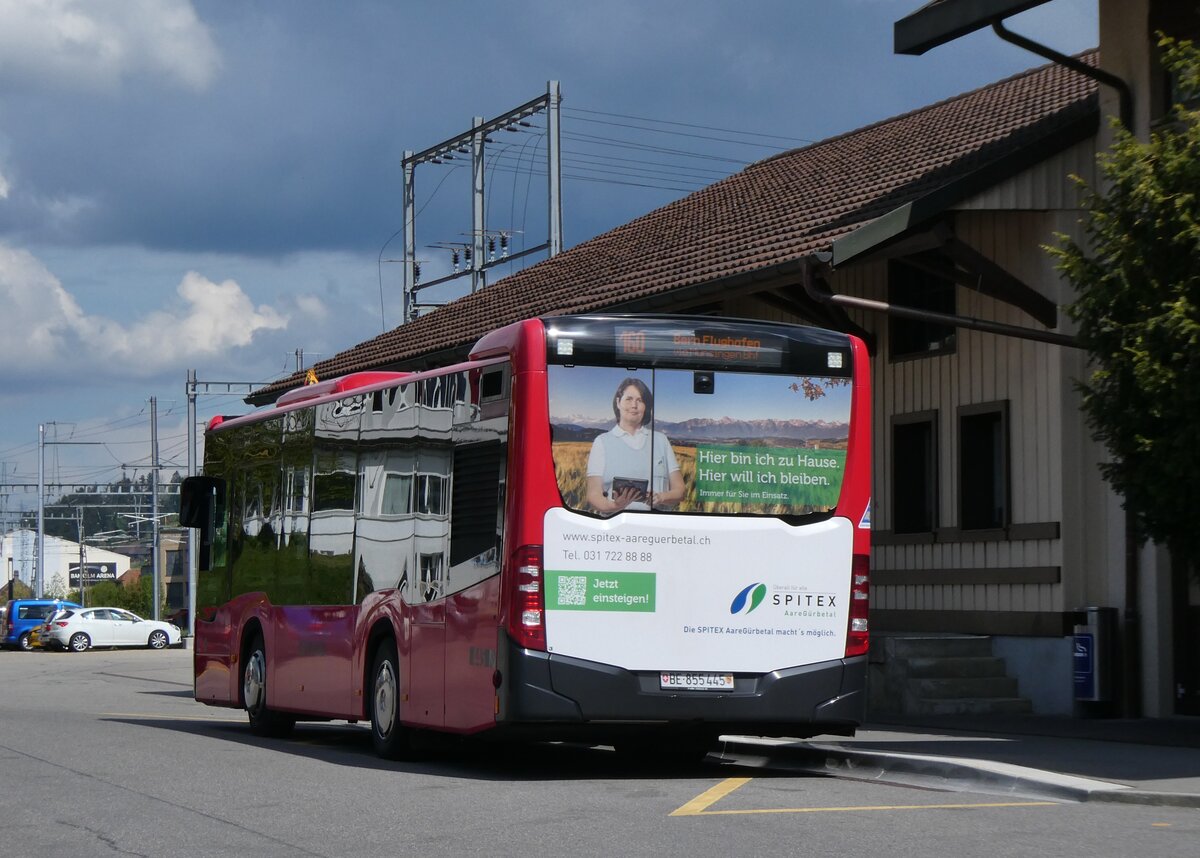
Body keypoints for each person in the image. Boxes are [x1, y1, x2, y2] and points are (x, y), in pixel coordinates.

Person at [585, 377, 684, 514]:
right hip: (616, 527)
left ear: (646, 407)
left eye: (640, 400)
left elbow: (680, 491)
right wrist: (615, 506)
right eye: (629, 399)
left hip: (659, 529)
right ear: (618, 402)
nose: (634, 405)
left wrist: (661, 497)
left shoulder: (661, 440)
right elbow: (593, 494)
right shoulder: (602, 442)